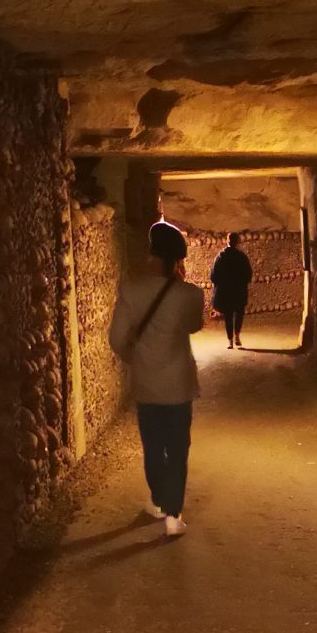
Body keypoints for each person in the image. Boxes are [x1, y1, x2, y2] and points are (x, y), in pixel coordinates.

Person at [109, 220, 205, 537]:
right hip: (178, 386)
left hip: (147, 385)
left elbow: (117, 338)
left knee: (153, 446)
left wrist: (135, 359)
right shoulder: (190, 295)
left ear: (151, 254)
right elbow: (194, 326)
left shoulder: (131, 290)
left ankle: (160, 501)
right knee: (178, 448)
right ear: (179, 259)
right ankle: (173, 515)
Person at [209, 232, 253, 349]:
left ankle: (230, 341)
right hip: (239, 291)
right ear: (237, 242)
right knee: (239, 314)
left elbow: (213, 276)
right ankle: (237, 336)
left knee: (228, 315)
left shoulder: (220, 257)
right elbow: (248, 275)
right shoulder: (242, 257)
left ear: (227, 241)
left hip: (226, 292)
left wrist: (220, 286)